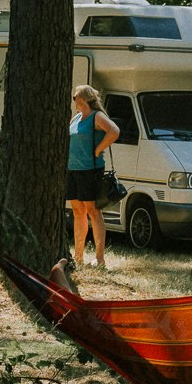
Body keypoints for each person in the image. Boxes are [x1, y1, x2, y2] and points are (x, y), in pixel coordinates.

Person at [68, 84, 120, 269]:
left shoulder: (96, 116)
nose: (74, 100)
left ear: (83, 98)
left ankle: (100, 258)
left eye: (76, 97)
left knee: (92, 211)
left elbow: (114, 131)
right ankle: (79, 256)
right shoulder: (76, 118)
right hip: (73, 170)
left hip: (90, 169)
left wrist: (98, 149)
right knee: (77, 210)